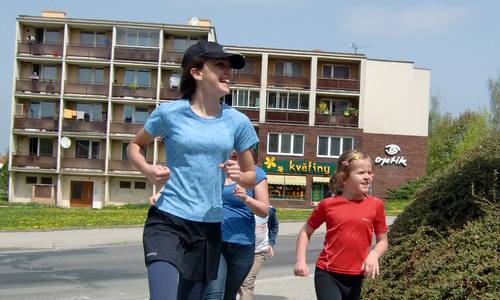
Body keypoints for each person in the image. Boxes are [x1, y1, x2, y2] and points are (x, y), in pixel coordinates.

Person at [127, 40, 258, 300]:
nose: (228, 71)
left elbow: (251, 175)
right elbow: (135, 145)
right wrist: (147, 170)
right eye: (220, 65)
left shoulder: (238, 122)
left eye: (229, 67)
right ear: (196, 73)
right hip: (167, 220)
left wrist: (239, 176)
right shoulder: (169, 114)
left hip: (207, 227)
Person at [294, 150, 389, 300]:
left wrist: (374, 254)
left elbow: (383, 241)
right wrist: (301, 260)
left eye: (370, 172)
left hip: (359, 276)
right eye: (361, 173)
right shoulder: (327, 205)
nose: (367, 177)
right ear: (344, 178)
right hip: (328, 273)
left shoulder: (376, 205)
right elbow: (306, 231)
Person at [204, 159, 269, 300]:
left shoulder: (255, 173)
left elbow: (264, 211)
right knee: (214, 294)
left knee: (229, 295)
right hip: (214, 241)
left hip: (243, 245)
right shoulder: (214, 169)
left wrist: (247, 199)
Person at [238, 206, 279, 300]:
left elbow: (274, 225)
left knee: (247, 282)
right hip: (240, 250)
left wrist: (270, 242)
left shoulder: (268, 210)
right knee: (235, 282)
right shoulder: (240, 207)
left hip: (259, 252)